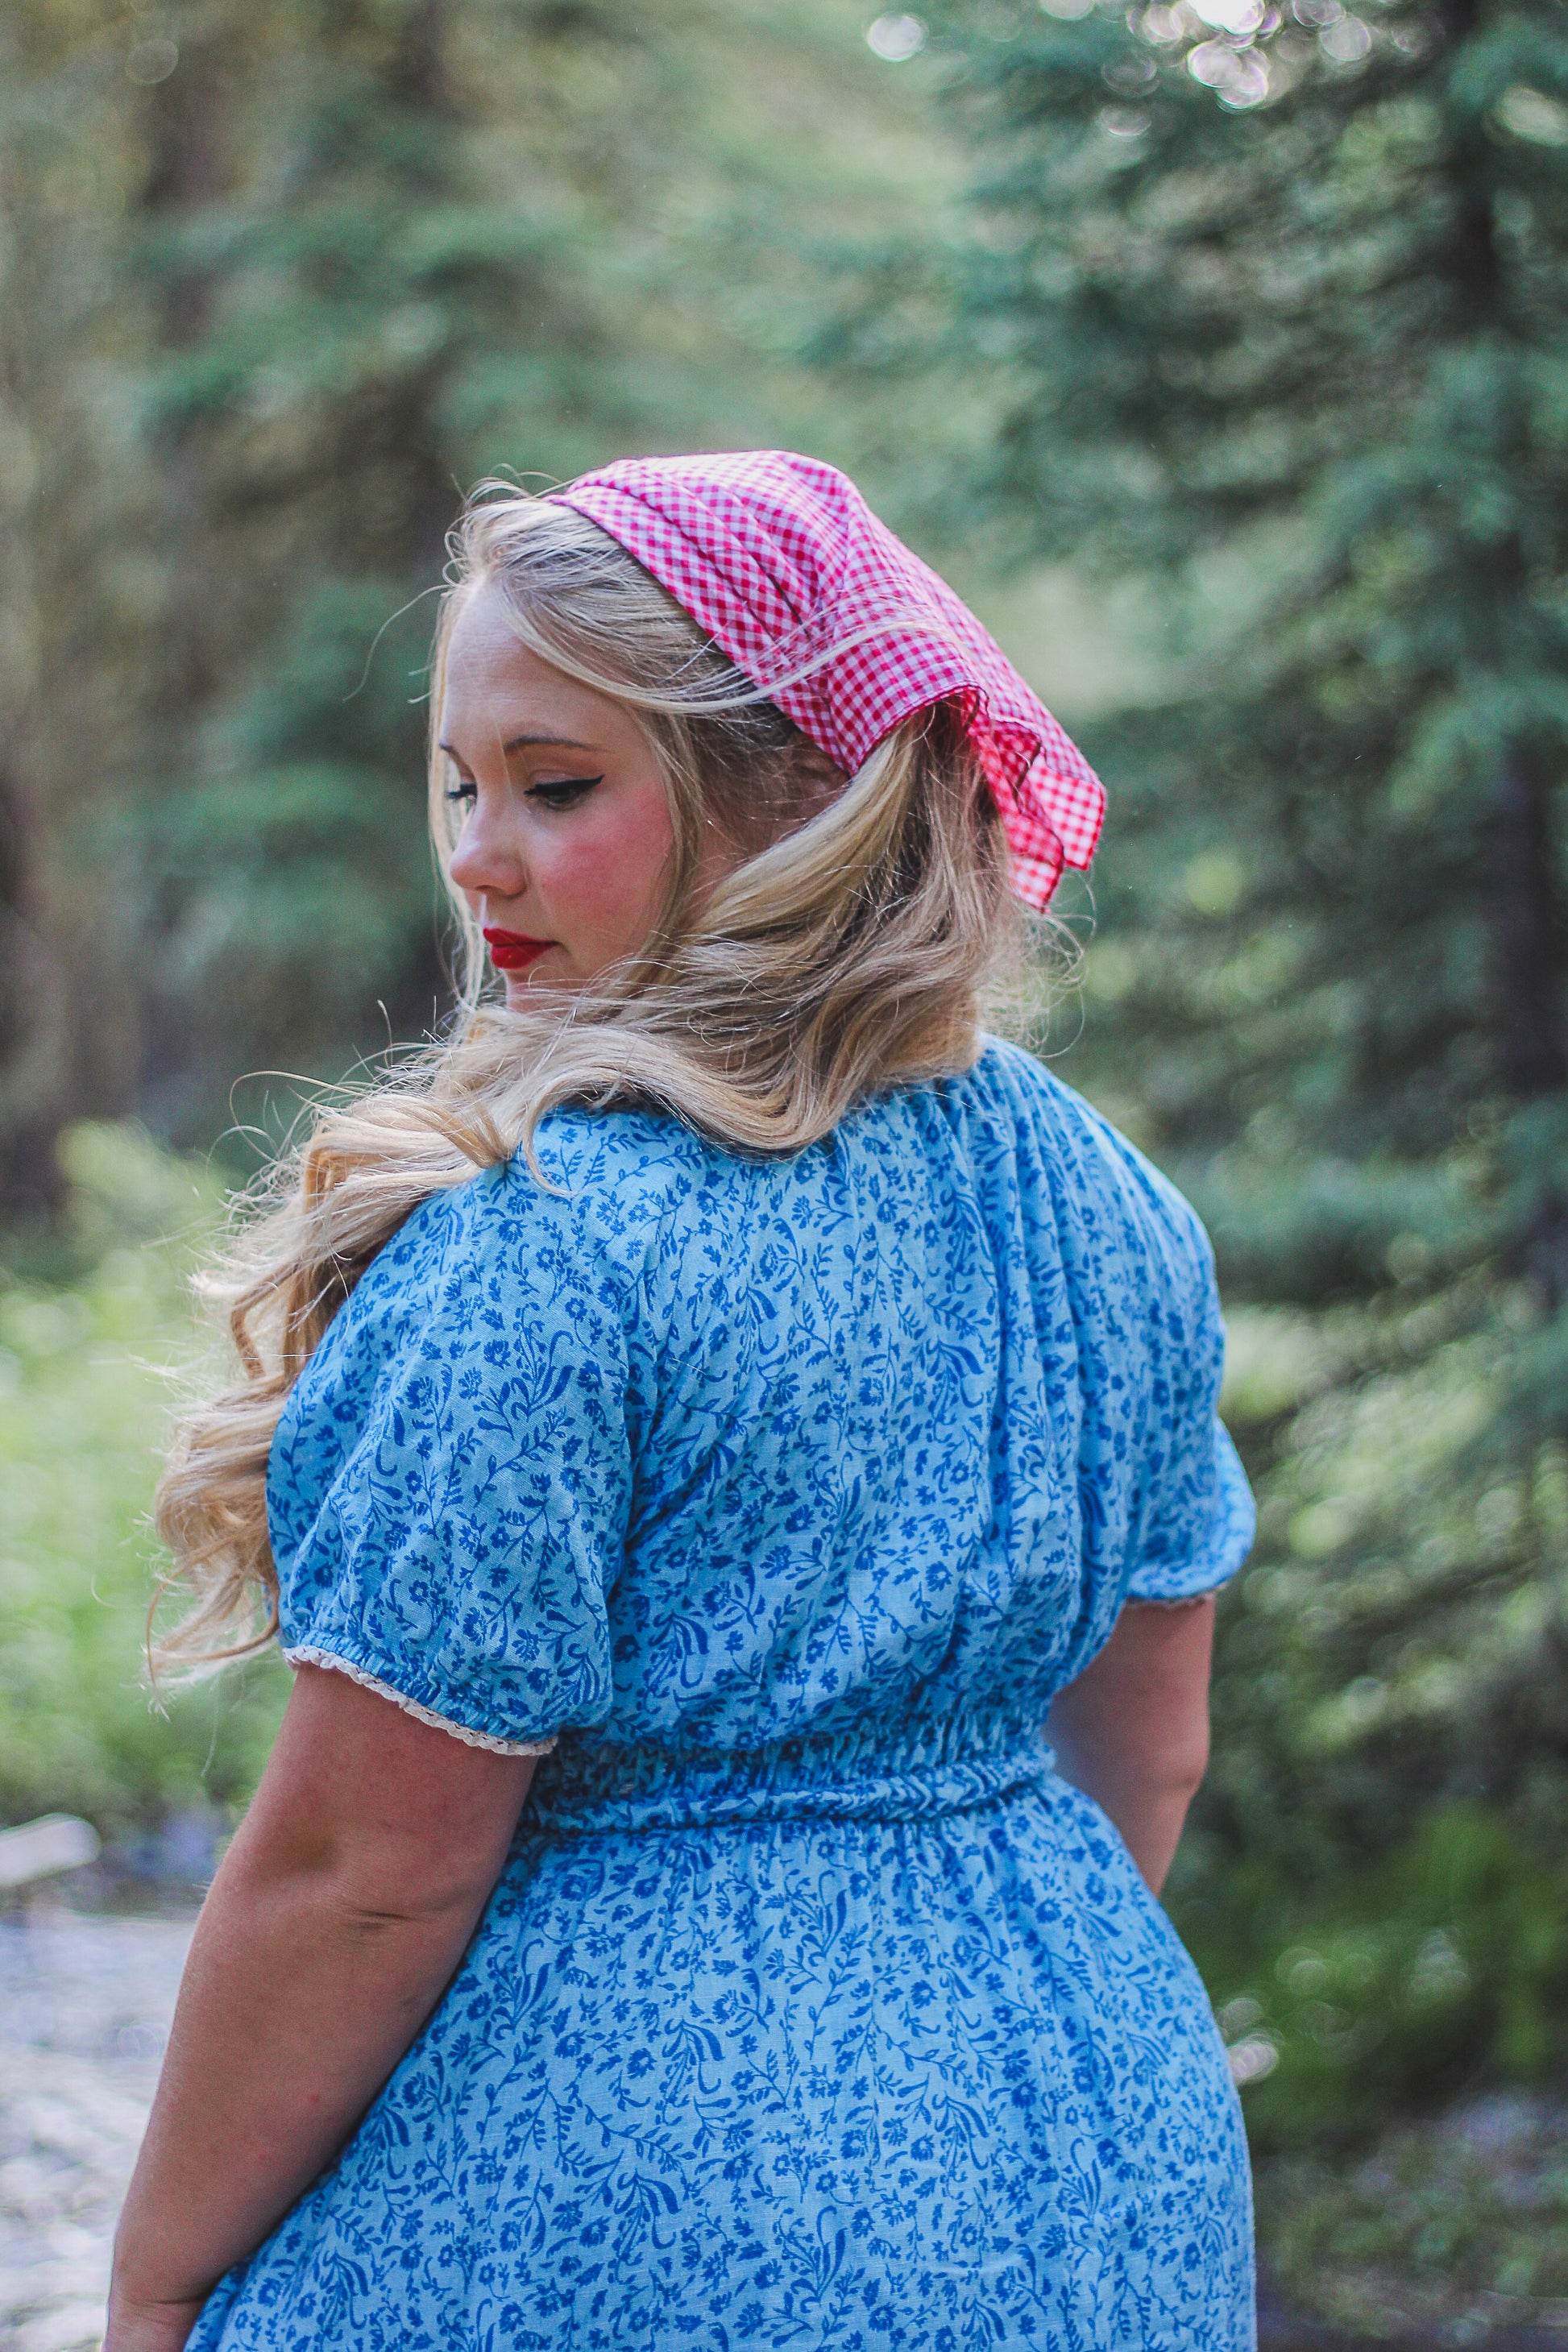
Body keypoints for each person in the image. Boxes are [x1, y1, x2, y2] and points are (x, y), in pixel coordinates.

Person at [107, 450, 1256, 2352]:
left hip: (627, 2217)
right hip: (1100, 2177)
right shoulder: (1104, 1203)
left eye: (558, 785)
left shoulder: (537, 1248)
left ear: (801, 793)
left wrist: (154, 2283)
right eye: (462, 784)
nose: (478, 852)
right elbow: (1148, 1754)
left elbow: (362, 1874)